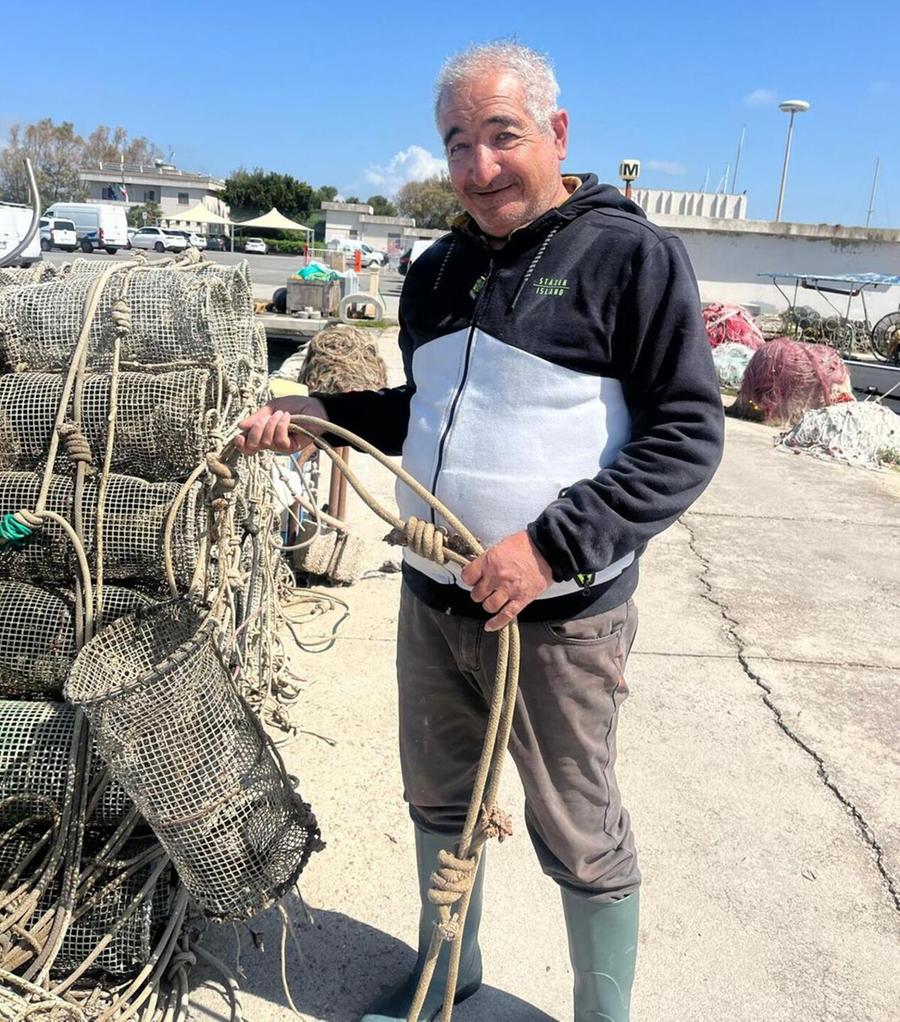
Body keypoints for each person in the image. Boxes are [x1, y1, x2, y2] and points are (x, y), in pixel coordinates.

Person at [236, 41, 724, 1022]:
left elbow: (687, 434)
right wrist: (311, 410)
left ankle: (603, 1013)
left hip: (560, 618)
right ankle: (445, 979)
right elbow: (427, 410)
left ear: (558, 133)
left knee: (579, 829)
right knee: (440, 800)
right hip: (434, 603)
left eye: (501, 134)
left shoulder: (629, 255)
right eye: (457, 142)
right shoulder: (440, 267)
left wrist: (549, 546)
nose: (478, 165)